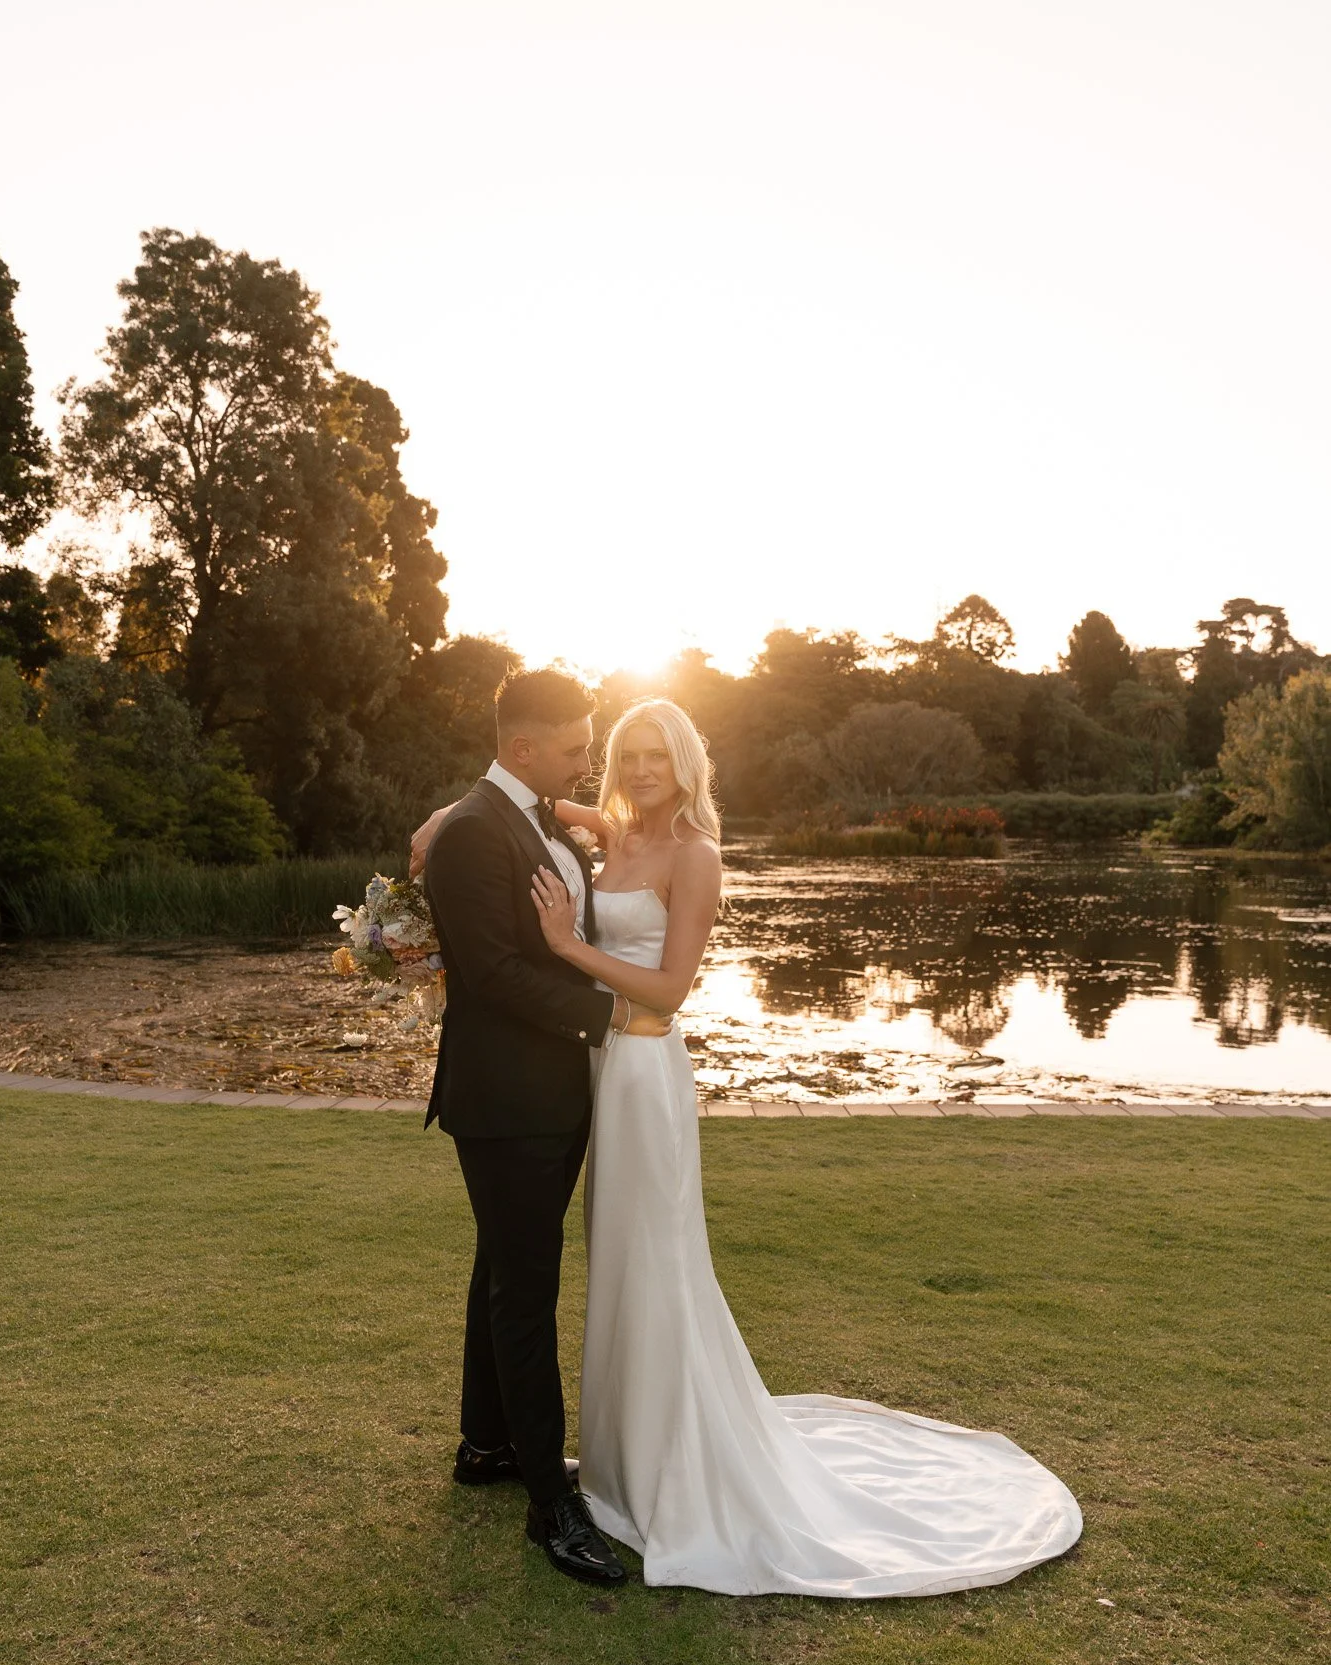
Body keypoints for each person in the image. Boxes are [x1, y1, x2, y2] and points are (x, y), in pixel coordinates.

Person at [418, 691, 1082, 1597]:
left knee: (645, 1261)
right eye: (620, 754)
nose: (632, 768)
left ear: (688, 765)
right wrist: (442, 823)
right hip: (584, 1078)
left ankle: (631, 1462)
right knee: (536, 1265)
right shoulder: (605, 830)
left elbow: (670, 989)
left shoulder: (693, 853)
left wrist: (572, 952)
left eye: (657, 755)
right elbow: (492, 820)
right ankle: (511, 1453)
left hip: (640, 1075)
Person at [419, 669, 671, 1588]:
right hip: (506, 1103)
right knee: (525, 1292)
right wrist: (605, 1017)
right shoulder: (476, 831)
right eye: (573, 746)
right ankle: (547, 1505)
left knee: (504, 1266)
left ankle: (486, 1447)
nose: (587, 759)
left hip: (551, 1096)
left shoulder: (527, 817)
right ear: (524, 748)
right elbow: (487, 974)